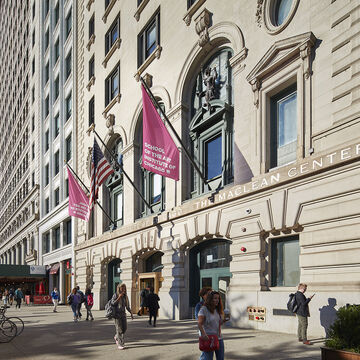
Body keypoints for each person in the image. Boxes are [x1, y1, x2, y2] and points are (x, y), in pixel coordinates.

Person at [198, 290, 227, 360]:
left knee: (220, 358)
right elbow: (199, 323)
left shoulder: (218, 309)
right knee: (208, 358)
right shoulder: (204, 309)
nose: (217, 300)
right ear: (210, 299)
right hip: (208, 338)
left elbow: (219, 323)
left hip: (219, 338)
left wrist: (224, 320)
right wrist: (203, 334)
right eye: (215, 298)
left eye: (218, 298)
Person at [110, 283, 134, 350]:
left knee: (125, 328)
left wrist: (131, 313)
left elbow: (127, 306)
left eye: (124, 288)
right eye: (122, 288)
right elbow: (113, 303)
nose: (123, 289)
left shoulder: (125, 296)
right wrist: (119, 297)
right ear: (119, 288)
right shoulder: (115, 295)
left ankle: (116, 336)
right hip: (116, 315)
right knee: (119, 329)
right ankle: (120, 344)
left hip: (123, 314)